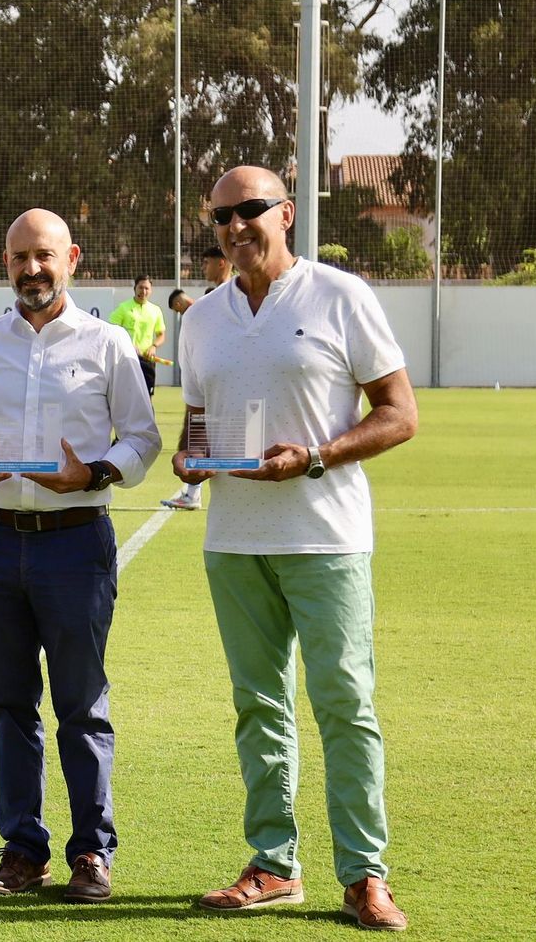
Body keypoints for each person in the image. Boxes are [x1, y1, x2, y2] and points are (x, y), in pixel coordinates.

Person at [176, 166, 417, 932]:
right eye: (222, 215)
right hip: (234, 540)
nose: (236, 224)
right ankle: (274, 863)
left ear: (285, 214)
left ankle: (365, 875)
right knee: (258, 706)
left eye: (250, 210)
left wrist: (313, 457)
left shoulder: (340, 295)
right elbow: (196, 420)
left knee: (345, 704)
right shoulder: (202, 317)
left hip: (326, 537)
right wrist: (191, 456)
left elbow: (400, 413)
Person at [0, 208, 159, 903]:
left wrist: (91, 473)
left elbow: (143, 439)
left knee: (81, 705)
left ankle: (92, 851)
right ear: (5, 263)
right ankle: (24, 848)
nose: (31, 270)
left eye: (44, 256)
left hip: (75, 543)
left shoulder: (108, 342)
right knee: (8, 704)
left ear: (71, 257)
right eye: (18, 258)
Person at [162, 245, 234, 511]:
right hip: (207, 384)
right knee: (199, 436)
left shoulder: (227, 299)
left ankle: (193, 495)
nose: (204, 268)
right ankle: (192, 493)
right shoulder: (210, 298)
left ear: (222, 263)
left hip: (223, 389)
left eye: (207, 262)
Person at [107, 274, 167, 396]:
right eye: (140, 287)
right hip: (127, 358)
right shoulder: (123, 308)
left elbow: (161, 335)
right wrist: (129, 345)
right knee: (126, 395)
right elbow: (111, 330)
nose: (143, 291)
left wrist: (154, 346)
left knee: (147, 396)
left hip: (147, 360)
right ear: (134, 288)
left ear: (151, 290)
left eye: (146, 288)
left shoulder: (156, 310)